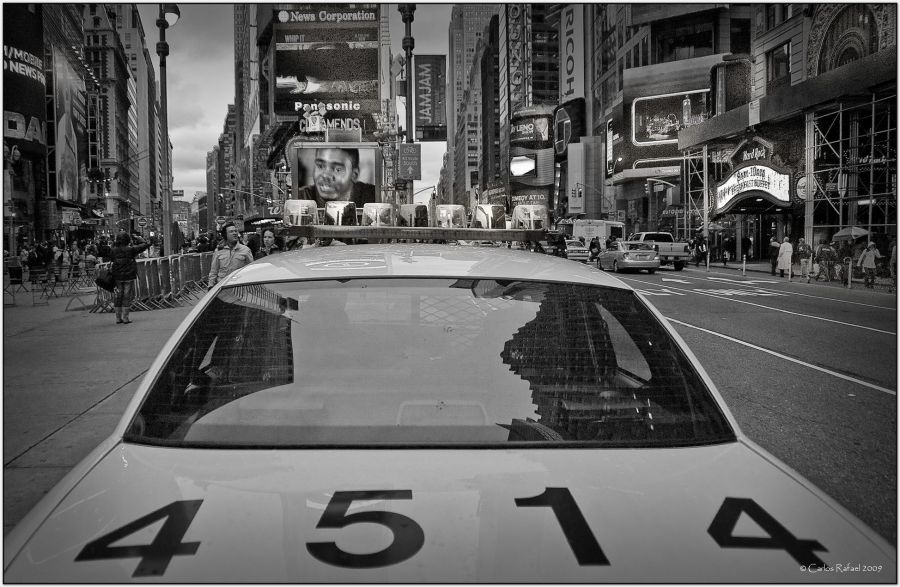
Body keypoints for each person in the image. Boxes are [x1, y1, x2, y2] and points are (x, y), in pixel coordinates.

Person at [296, 147, 377, 209]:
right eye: (320, 166)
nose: (325, 175)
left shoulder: (374, 198)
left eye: (337, 169)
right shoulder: (299, 199)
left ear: (354, 175)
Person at [110, 232, 150, 324]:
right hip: (129, 275)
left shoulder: (113, 250)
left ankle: (117, 318)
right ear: (127, 240)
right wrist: (138, 237)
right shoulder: (131, 249)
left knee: (118, 296)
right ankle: (125, 318)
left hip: (117, 276)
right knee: (126, 296)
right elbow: (144, 245)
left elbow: (111, 259)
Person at [208, 222, 254, 289]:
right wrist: (210, 286)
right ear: (225, 235)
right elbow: (214, 271)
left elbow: (251, 269)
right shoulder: (218, 250)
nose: (235, 233)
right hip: (222, 288)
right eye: (231, 232)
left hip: (240, 288)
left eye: (235, 231)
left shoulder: (245, 250)